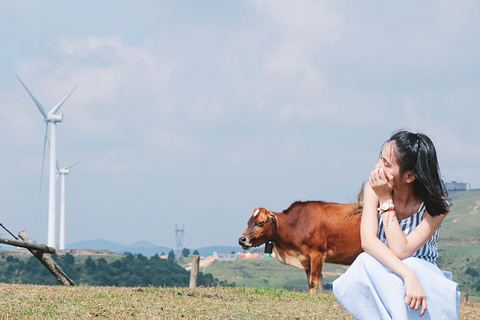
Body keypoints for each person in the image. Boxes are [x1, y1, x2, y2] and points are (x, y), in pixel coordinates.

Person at [333, 130, 460, 319]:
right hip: (387, 272)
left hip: (423, 277)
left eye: (386, 164)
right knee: (364, 262)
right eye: (380, 159)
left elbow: (401, 250)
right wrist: (407, 275)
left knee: (412, 264)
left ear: (409, 176)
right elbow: (368, 242)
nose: (377, 167)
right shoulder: (373, 189)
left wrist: (385, 201)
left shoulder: (437, 207)